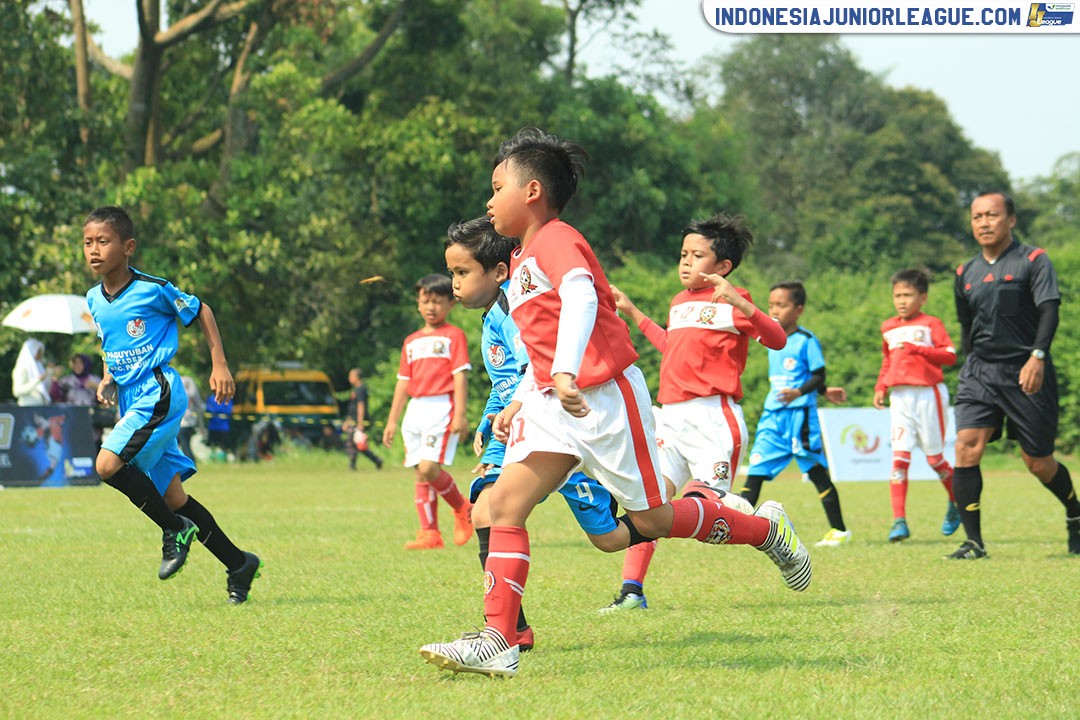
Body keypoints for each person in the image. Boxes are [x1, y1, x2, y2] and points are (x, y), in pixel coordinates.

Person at [420, 128, 811, 679]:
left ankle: (765, 530)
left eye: (496, 186)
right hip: (557, 403)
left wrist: (563, 371)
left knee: (650, 518)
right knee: (501, 508)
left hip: (606, 398)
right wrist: (528, 396)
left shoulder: (557, 239)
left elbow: (581, 296)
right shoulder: (523, 257)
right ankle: (499, 640)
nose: (488, 200)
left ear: (531, 191)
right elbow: (540, 344)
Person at [446, 216, 626, 652]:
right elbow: (504, 378)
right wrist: (491, 417)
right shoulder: (492, 316)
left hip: (545, 425)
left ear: (498, 272)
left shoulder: (513, 311)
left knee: (611, 537)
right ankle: (510, 630)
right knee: (486, 510)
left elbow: (534, 368)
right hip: (513, 429)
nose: (455, 284)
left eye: (462, 273)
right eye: (452, 273)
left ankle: (709, 514)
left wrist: (512, 408)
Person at [598, 211, 788, 613]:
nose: (685, 261)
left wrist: (742, 302)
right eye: (683, 253)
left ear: (723, 266)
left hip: (713, 419)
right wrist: (633, 313)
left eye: (696, 255)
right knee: (648, 505)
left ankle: (767, 528)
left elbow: (777, 338)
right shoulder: (679, 302)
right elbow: (673, 346)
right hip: (671, 418)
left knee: (698, 501)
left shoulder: (735, 301)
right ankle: (632, 591)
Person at [82, 205, 262, 603]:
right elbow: (109, 343)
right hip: (131, 398)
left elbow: (202, 311)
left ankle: (173, 531)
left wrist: (220, 364)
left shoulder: (151, 288)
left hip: (157, 390)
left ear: (127, 247)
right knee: (173, 498)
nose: (94, 250)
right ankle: (238, 563)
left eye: (103, 241)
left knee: (107, 464)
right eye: (88, 242)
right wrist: (110, 377)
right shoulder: (94, 298)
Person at [950, 191, 1080, 559]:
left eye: (992, 215)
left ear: (1011, 219)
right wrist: (969, 367)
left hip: (1026, 370)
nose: (984, 223)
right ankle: (973, 542)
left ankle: (1075, 513)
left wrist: (1037, 356)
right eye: (977, 217)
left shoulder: (1034, 261)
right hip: (980, 372)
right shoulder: (964, 272)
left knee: (1037, 462)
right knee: (966, 446)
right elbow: (966, 326)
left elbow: (1049, 311)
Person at [740, 282, 851, 548]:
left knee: (815, 471)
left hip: (799, 417)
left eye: (782, 305)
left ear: (798, 309)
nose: (775, 310)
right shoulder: (768, 338)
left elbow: (817, 374)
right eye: (771, 305)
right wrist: (823, 391)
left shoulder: (805, 340)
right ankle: (737, 528)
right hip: (772, 415)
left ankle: (839, 530)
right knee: (755, 470)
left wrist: (803, 391)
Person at [382, 274, 473, 550]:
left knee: (429, 467)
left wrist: (460, 413)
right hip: (416, 409)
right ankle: (429, 533)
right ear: (418, 303)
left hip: (441, 407)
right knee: (419, 473)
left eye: (437, 301)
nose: (431, 306)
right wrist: (391, 421)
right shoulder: (410, 341)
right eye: (426, 301)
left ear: (450, 304)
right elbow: (403, 382)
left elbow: (460, 377)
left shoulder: (454, 336)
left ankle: (462, 508)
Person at [873, 269, 960, 543]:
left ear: (922, 297)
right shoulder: (888, 326)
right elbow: (888, 361)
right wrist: (881, 386)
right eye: (897, 295)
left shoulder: (931, 324)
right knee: (899, 459)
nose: (901, 300)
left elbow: (949, 356)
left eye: (908, 295)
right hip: (900, 398)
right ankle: (899, 521)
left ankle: (957, 501)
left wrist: (920, 349)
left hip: (928, 396)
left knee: (935, 459)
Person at [343, 368, 383, 470]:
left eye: (351, 376)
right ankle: (376, 460)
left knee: (355, 443)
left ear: (356, 377)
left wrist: (360, 423)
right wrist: (347, 421)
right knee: (356, 444)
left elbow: (361, 406)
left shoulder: (361, 389)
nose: (349, 378)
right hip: (353, 420)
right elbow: (352, 407)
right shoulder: (356, 390)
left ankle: (354, 465)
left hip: (358, 421)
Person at [12, 338, 53, 406]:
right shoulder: (22, 368)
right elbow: (17, 391)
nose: (41, 354)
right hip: (27, 408)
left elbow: (45, 390)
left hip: (41, 407)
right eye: (38, 351)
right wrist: (37, 380)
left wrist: (49, 374)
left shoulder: (39, 367)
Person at [178, 374, 204, 468]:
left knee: (184, 446)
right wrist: (201, 425)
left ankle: (191, 464)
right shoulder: (191, 396)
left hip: (183, 424)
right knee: (184, 445)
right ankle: (190, 463)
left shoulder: (180, 394)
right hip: (188, 424)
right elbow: (200, 408)